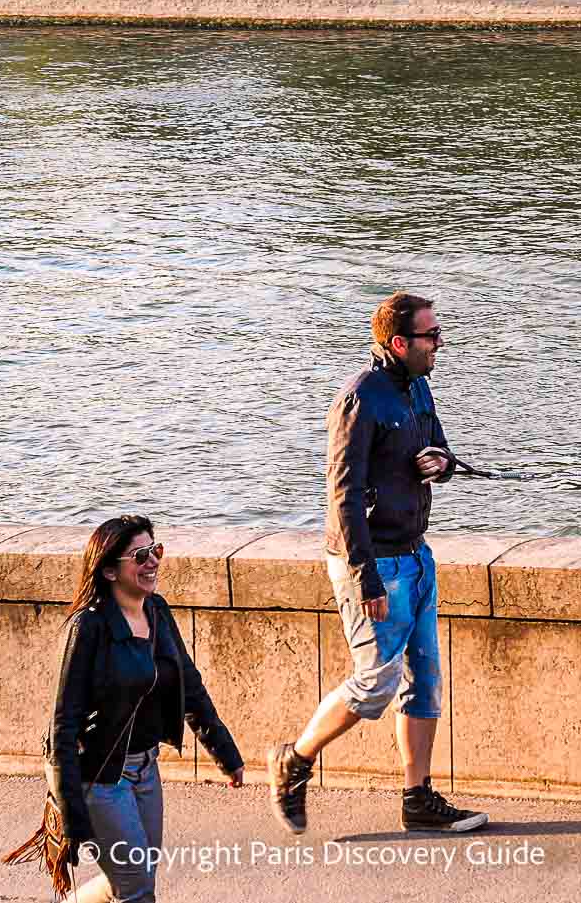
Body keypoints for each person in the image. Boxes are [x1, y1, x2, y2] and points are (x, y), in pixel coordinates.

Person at [268, 292, 489, 837]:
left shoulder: (416, 386)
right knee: (374, 686)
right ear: (399, 342)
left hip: (416, 554)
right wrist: (366, 577)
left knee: (426, 681)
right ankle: (293, 759)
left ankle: (417, 799)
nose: (439, 344)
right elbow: (341, 497)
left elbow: (438, 447)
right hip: (374, 564)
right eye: (430, 336)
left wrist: (443, 464)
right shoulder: (358, 401)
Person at [40, 516, 244, 902]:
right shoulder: (88, 628)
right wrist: (70, 811)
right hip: (99, 778)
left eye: (156, 550)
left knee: (135, 875)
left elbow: (190, 684)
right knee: (137, 889)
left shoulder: (158, 612)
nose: (152, 561)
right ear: (109, 570)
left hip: (145, 768)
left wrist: (224, 752)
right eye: (140, 555)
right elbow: (61, 723)